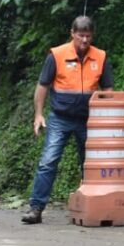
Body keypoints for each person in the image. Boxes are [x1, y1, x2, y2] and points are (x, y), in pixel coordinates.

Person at [22, 16, 112, 224]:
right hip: (60, 118)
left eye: (88, 36)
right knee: (48, 161)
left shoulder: (100, 57)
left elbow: (108, 91)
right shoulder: (57, 55)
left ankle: (93, 206)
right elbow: (42, 86)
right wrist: (38, 114)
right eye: (80, 36)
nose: (84, 41)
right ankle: (36, 208)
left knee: (90, 164)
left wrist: (107, 119)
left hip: (89, 119)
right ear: (72, 34)